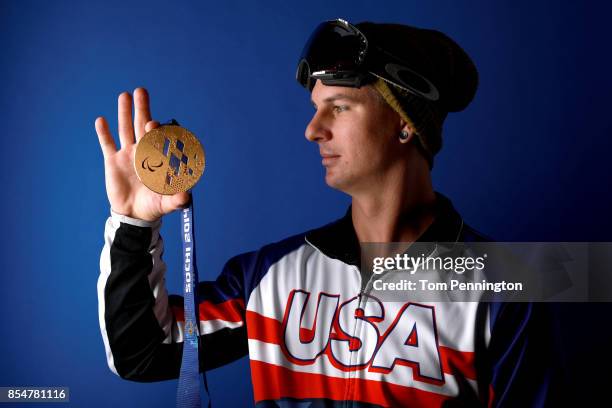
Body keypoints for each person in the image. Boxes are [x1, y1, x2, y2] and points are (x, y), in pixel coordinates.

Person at [96, 19, 551, 407]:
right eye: (316, 109)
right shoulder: (269, 275)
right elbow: (143, 354)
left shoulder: (500, 288)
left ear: (405, 122)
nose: (313, 130)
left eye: (339, 108)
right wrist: (135, 223)